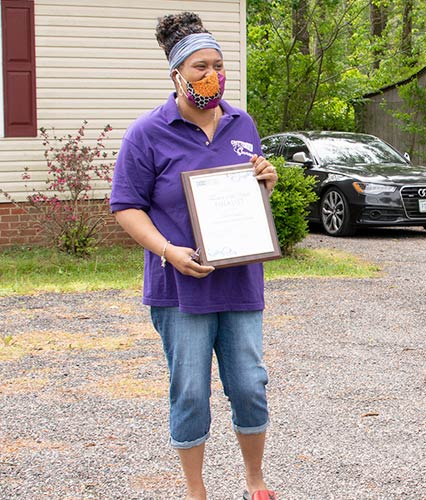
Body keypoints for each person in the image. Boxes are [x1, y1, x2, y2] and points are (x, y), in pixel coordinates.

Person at [110, 12, 278, 500]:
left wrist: (265, 180)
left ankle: (254, 480)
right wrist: (168, 250)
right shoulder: (147, 133)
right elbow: (126, 206)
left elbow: (249, 198)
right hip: (178, 286)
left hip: (239, 283)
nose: (212, 76)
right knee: (189, 391)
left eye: (219, 65)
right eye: (200, 67)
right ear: (177, 75)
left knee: (249, 384)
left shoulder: (241, 123)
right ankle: (195, 490)